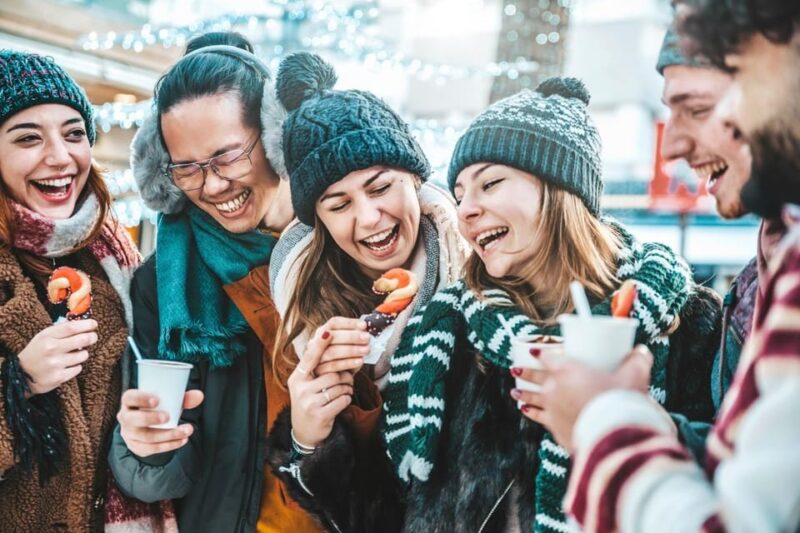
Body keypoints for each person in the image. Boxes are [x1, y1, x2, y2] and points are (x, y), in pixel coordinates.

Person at [381, 77, 722, 532]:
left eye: (491, 183)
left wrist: (622, 421)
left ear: (561, 186)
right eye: (460, 193)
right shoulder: (447, 332)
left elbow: (734, 495)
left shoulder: (690, 325)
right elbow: (390, 504)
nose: (465, 210)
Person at [537, 2, 800, 531]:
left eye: (697, 108)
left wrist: (603, 422)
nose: (673, 145)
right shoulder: (770, 263)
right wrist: (660, 427)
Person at [107, 33, 323, 532]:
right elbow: (164, 479)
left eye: (226, 157)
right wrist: (144, 449)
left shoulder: (345, 245)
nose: (212, 186)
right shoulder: (164, 284)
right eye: (187, 168)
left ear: (276, 137)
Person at [264, 52, 468, 532]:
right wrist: (308, 440)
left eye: (380, 188)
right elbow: (342, 514)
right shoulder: (304, 313)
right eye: (339, 205)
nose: (369, 218)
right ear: (320, 222)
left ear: (414, 177)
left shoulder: (482, 273)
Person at [0, 50, 140, 531]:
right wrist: (19, 383)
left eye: (74, 133)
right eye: (27, 138)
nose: (60, 157)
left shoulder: (111, 259)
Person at [655, 24, 786, 458]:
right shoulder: (759, 275)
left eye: (696, 108)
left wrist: (614, 424)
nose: (671, 145)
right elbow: (747, 467)